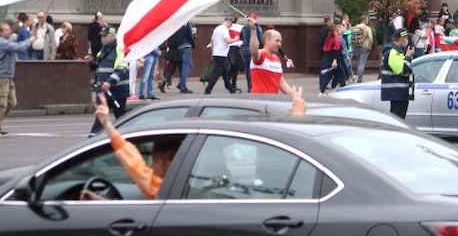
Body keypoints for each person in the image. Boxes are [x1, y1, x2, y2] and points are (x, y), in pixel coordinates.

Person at [83, 84, 307, 201]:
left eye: (153, 158)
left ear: (166, 162)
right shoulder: (238, 191)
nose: (150, 163)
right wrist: (297, 113)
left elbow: (133, 163)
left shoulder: (166, 193)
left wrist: (108, 125)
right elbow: (286, 155)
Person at [0, 22, 33, 137]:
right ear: (0, 33)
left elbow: (15, 42)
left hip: (8, 77)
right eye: (6, 30)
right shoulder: (1, 43)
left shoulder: (3, 41)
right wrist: (30, 40)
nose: (9, 31)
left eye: (9, 29)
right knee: (1, 104)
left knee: (12, 102)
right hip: (1, 77)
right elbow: (19, 47)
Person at [246, 16, 300, 96]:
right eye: (277, 41)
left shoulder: (277, 59)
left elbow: (281, 83)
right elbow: (254, 51)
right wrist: (253, 30)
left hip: (272, 100)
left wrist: (295, 95)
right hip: (259, 100)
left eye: (280, 41)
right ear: (267, 40)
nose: (279, 44)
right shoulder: (261, 54)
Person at [380, 29, 414, 119]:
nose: (407, 40)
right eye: (405, 37)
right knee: (397, 118)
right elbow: (402, 70)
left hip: (399, 92)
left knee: (399, 117)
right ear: (400, 38)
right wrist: (408, 57)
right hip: (396, 92)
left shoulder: (398, 51)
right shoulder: (393, 52)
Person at [204, 16, 238, 94]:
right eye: (231, 24)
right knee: (216, 73)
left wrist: (212, 53)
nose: (231, 26)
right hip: (222, 54)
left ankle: (229, 88)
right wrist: (235, 39)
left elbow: (212, 41)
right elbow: (228, 41)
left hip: (216, 53)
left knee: (224, 72)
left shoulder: (217, 29)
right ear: (229, 22)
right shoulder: (224, 29)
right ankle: (208, 89)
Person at [240, 15, 263, 92]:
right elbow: (261, 39)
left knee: (248, 69)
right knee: (255, 68)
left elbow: (241, 38)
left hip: (245, 49)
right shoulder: (257, 27)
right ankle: (255, 85)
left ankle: (250, 86)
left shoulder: (244, 28)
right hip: (254, 49)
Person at [171, 21, 196, 94]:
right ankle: (183, 87)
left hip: (179, 46)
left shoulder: (177, 23)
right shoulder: (187, 22)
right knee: (186, 66)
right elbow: (190, 35)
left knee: (189, 65)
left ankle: (181, 84)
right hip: (186, 45)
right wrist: (193, 44)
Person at [319, 23, 344, 93]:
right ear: (336, 30)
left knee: (334, 74)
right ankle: (339, 87)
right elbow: (336, 50)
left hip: (328, 56)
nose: (341, 30)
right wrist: (335, 61)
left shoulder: (330, 36)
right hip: (334, 58)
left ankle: (324, 89)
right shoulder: (336, 38)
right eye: (339, 29)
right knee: (340, 73)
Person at [225, 16, 245, 91]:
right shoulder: (239, 27)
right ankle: (231, 83)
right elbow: (242, 37)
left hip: (228, 48)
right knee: (235, 67)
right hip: (235, 48)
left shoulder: (224, 28)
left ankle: (231, 83)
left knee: (233, 67)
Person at [351, 15, 373, 83]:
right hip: (364, 47)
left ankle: (358, 77)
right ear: (365, 20)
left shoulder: (355, 27)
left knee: (358, 62)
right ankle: (360, 79)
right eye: (367, 19)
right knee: (362, 63)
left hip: (356, 47)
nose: (368, 21)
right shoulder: (367, 28)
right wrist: (369, 46)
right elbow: (370, 38)